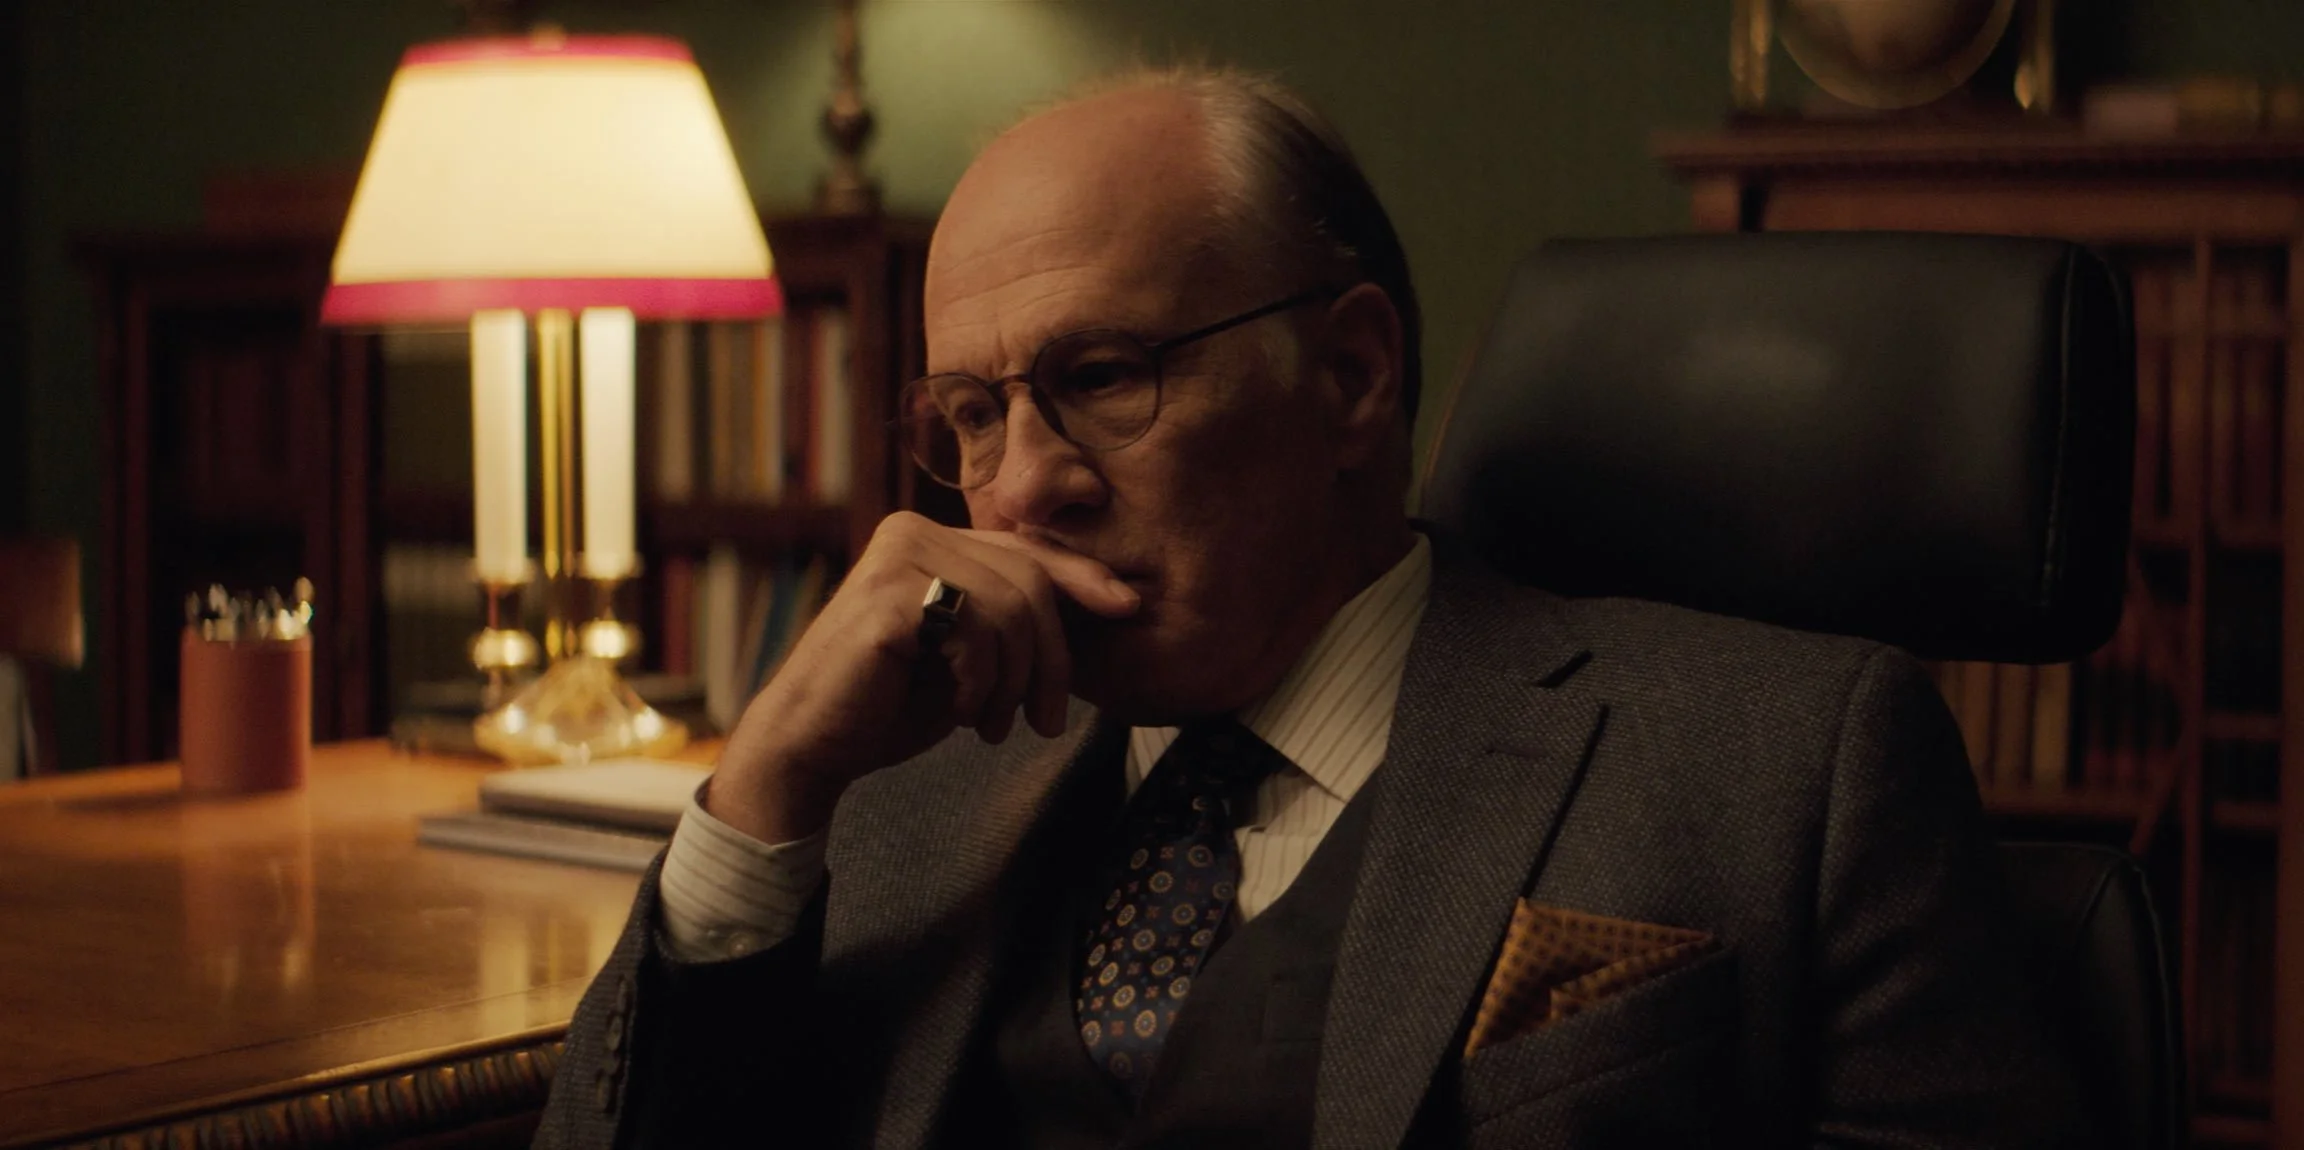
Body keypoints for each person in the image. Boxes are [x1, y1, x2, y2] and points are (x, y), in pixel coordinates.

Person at [537, 67, 2083, 1148]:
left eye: (1099, 378)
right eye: (970, 414)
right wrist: (762, 794)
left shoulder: (1789, 763)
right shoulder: (898, 787)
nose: (1017, 490)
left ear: (1350, 376)